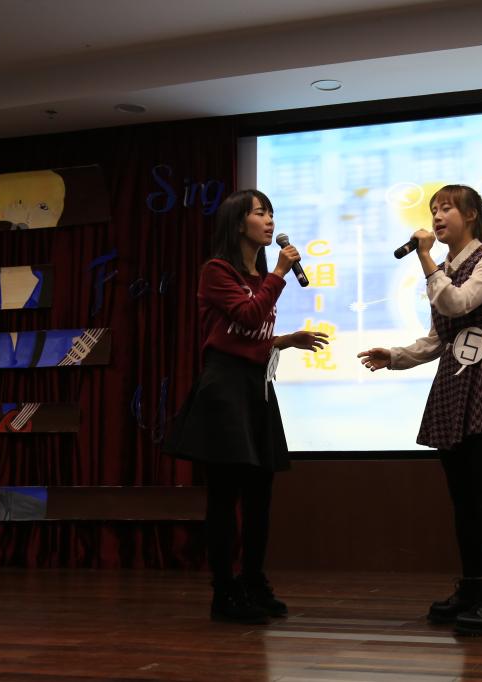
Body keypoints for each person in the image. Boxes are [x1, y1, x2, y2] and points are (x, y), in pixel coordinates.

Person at [357, 185, 482, 636]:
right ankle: (473, 588)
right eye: (433, 210)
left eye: (447, 209)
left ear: (471, 215)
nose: (437, 217)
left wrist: (425, 259)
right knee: (462, 495)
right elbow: (440, 337)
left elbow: (456, 303)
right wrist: (395, 356)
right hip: (455, 383)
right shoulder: (446, 269)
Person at [163, 189, 328, 624]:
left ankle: (254, 581)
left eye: (272, 213)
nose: (270, 220)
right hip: (224, 389)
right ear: (239, 223)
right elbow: (248, 316)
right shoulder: (216, 271)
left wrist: (284, 340)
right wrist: (280, 272)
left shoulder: (260, 277)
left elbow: (248, 332)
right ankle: (224, 591)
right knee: (224, 497)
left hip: (256, 387)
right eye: (260, 213)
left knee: (260, 496)